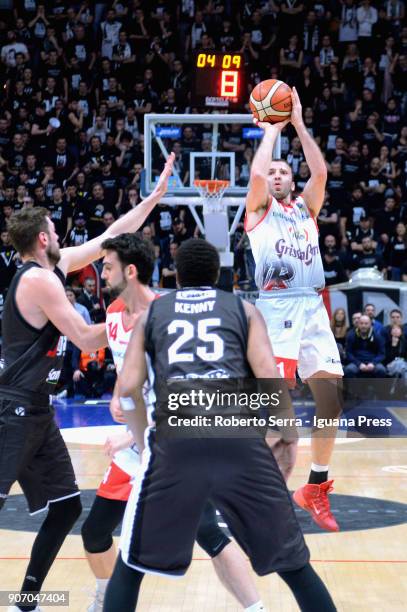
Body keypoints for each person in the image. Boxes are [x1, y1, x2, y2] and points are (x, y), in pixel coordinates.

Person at [103, 238, 336, 612]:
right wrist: (287, 441)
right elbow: (268, 379)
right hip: (238, 441)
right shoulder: (243, 310)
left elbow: (128, 389)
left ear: (175, 276)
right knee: (295, 565)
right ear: (218, 275)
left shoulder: (152, 316)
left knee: (130, 566)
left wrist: (144, 440)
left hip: (175, 443)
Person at [0, 154, 175, 612]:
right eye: (55, 231)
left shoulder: (53, 267)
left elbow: (108, 238)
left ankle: (26, 600)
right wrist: (129, 316)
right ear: (43, 239)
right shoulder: (39, 280)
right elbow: (83, 336)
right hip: (12, 407)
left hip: (39, 408)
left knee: (67, 508)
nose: (61, 236)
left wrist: (153, 199)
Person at [81, 233, 268, 612]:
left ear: (130, 271)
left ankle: (255, 607)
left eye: (108, 265)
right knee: (95, 530)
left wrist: (138, 432)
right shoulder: (115, 312)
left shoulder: (169, 310)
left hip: (169, 439)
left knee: (207, 532)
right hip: (138, 439)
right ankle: (104, 596)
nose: (102, 271)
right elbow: (126, 365)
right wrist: (121, 395)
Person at [245, 87, 343, 532]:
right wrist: (270, 130)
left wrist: (299, 125)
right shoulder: (259, 212)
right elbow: (255, 177)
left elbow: (320, 172)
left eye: (286, 171)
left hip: (312, 306)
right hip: (277, 308)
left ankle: (314, 487)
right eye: (275, 172)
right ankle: (254, 493)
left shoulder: (305, 209)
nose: (279, 175)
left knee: (331, 397)